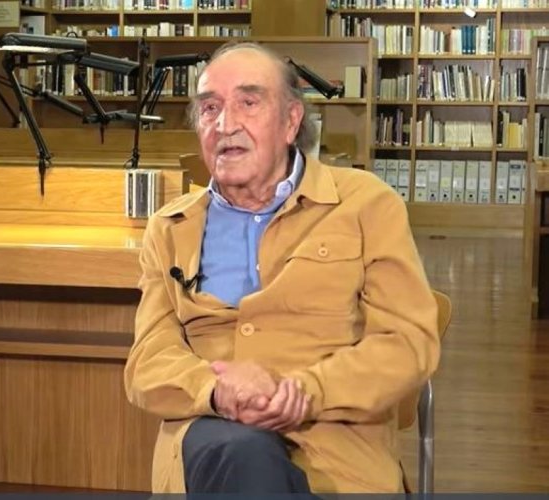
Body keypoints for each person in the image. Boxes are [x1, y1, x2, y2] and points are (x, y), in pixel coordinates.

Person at [123, 41, 441, 494]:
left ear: (291, 121)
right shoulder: (170, 228)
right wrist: (217, 391)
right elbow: (148, 362)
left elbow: (408, 343)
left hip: (336, 453)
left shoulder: (367, 204)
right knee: (242, 453)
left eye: (248, 103)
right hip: (216, 440)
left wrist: (306, 391)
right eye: (210, 108)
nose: (225, 124)